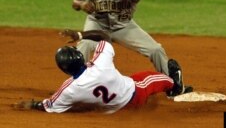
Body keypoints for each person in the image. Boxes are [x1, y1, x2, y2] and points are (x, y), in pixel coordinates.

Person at [72, 0, 186, 96]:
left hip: (123, 27)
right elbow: (75, 1)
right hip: (97, 25)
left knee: (155, 49)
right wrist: (82, 4)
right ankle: (77, 86)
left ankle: (174, 86)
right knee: (84, 45)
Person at [16, 29, 184, 114]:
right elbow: (104, 37)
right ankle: (175, 86)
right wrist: (80, 35)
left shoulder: (69, 89)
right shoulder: (100, 63)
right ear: (80, 57)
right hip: (135, 94)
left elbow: (48, 105)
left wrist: (32, 105)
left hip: (116, 111)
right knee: (152, 78)